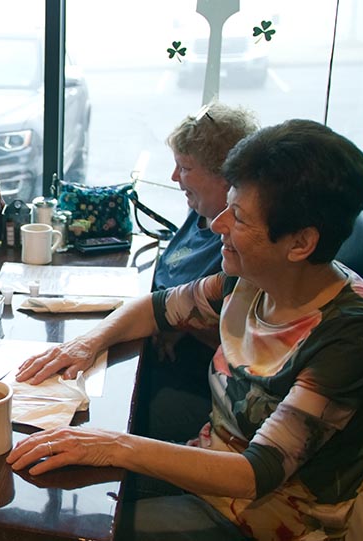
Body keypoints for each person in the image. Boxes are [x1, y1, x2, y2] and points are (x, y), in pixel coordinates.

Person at [10, 120, 363, 540]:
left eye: (238, 217)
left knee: (69, 524)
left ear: (300, 243)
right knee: (45, 474)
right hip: (210, 470)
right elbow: (156, 309)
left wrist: (116, 445)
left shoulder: (354, 334)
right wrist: (86, 344)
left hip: (277, 519)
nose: (218, 225)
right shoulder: (252, 277)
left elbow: (258, 472)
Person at [141, 103, 259, 442]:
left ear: (226, 175)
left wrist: (181, 324)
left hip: (195, 389)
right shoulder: (202, 211)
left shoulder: (237, 248)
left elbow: (240, 341)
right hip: (157, 356)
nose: (174, 178)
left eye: (185, 167)